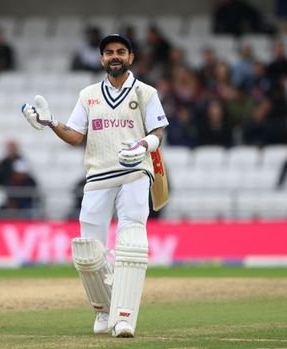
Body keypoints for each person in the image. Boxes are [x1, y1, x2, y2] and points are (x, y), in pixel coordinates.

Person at [21, 34, 169, 338]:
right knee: (89, 252)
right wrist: (51, 123)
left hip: (134, 172)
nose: (114, 56)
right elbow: (76, 137)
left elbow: (158, 131)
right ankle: (103, 310)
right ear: (102, 59)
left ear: (131, 57)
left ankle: (124, 317)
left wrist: (144, 144)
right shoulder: (88, 94)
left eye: (120, 52)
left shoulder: (145, 93)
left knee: (131, 242)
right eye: (109, 52)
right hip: (97, 177)